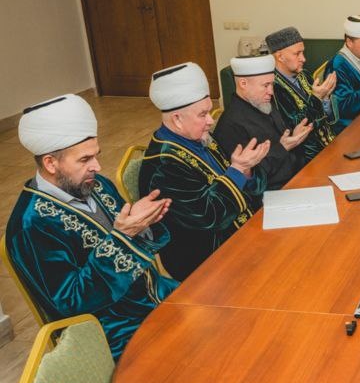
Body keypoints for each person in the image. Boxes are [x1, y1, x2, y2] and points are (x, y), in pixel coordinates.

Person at [6, 94, 178, 360]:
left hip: (156, 295)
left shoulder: (96, 185)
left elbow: (131, 245)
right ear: (51, 163)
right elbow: (71, 303)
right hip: (116, 333)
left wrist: (142, 224)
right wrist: (123, 237)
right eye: (84, 159)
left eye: (96, 156)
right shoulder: (32, 225)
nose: (97, 166)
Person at [140, 62, 270, 280]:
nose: (211, 121)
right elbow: (209, 217)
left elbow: (246, 186)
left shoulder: (200, 138)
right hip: (207, 263)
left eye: (209, 112)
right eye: (203, 114)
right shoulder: (164, 165)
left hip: (242, 234)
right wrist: (238, 170)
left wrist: (246, 171)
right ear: (177, 119)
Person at [214, 55, 312, 190]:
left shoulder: (263, 103)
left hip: (298, 176)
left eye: (272, 84)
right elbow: (254, 178)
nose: (271, 92)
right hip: (274, 192)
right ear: (243, 84)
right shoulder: (230, 125)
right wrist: (283, 147)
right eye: (265, 85)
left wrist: (293, 136)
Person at [266, 26, 338, 163]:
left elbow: (325, 116)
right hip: (306, 159)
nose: (303, 59)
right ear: (280, 57)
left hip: (328, 144)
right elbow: (295, 127)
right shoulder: (273, 87)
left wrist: (325, 98)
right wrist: (317, 98)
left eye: (303, 53)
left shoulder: (303, 74)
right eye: (297, 54)